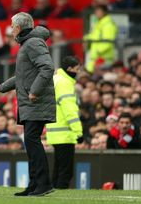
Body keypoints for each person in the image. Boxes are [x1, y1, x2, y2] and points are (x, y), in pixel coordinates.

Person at [0, 12, 56, 196]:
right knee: (31, 141)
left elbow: (48, 67)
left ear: (18, 27)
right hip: (30, 102)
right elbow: (23, 76)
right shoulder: (29, 43)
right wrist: (1, 87)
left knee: (32, 141)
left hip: (35, 101)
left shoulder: (33, 43)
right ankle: (35, 185)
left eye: (11, 26)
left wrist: (35, 91)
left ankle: (43, 184)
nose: (10, 30)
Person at [45, 56, 83, 189]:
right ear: (69, 69)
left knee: (58, 166)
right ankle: (60, 191)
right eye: (77, 69)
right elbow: (69, 110)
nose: (78, 72)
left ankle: (54, 189)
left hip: (53, 130)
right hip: (65, 132)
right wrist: (78, 131)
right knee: (65, 170)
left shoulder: (55, 80)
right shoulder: (65, 83)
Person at [84, 5, 118, 73]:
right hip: (96, 58)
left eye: (98, 11)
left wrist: (97, 51)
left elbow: (108, 42)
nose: (96, 13)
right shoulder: (100, 23)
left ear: (104, 12)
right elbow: (95, 36)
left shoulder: (108, 24)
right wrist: (85, 38)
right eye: (96, 11)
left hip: (104, 59)